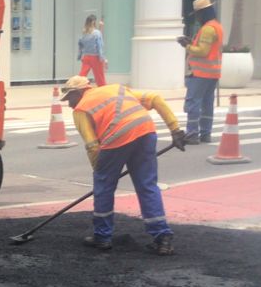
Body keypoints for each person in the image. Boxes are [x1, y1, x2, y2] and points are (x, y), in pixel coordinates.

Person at [61, 73, 186, 254]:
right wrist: (175, 129)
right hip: (145, 132)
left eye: (69, 98)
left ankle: (102, 237)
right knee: (147, 186)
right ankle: (163, 239)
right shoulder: (117, 89)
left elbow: (92, 145)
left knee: (104, 187)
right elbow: (156, 98)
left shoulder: (81, 109)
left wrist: (101, 173)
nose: (69, 104)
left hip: (116, 139)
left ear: (79, 93)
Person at [177, 0, 223, 144]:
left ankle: (192, 134)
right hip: (213, 73)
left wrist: (187, 46)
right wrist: (191, 42)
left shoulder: (208, 29)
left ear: (202, 13)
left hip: (200, 73)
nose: (196, 17)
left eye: (197, 14)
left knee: (194, 103)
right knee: (207, 104)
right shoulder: (217, 26)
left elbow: (203, 51)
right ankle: (205, 133)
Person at [77, 14, 106, 85]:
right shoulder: (97, 33)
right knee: (100, 78)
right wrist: (102, 58)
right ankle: (103, 92)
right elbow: (99, 45)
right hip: (95, 57)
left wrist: (79, 56)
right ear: (93, 22)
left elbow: (81, 45)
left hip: (86, 57)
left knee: (82, 76)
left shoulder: (84, 33)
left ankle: (76, 88)